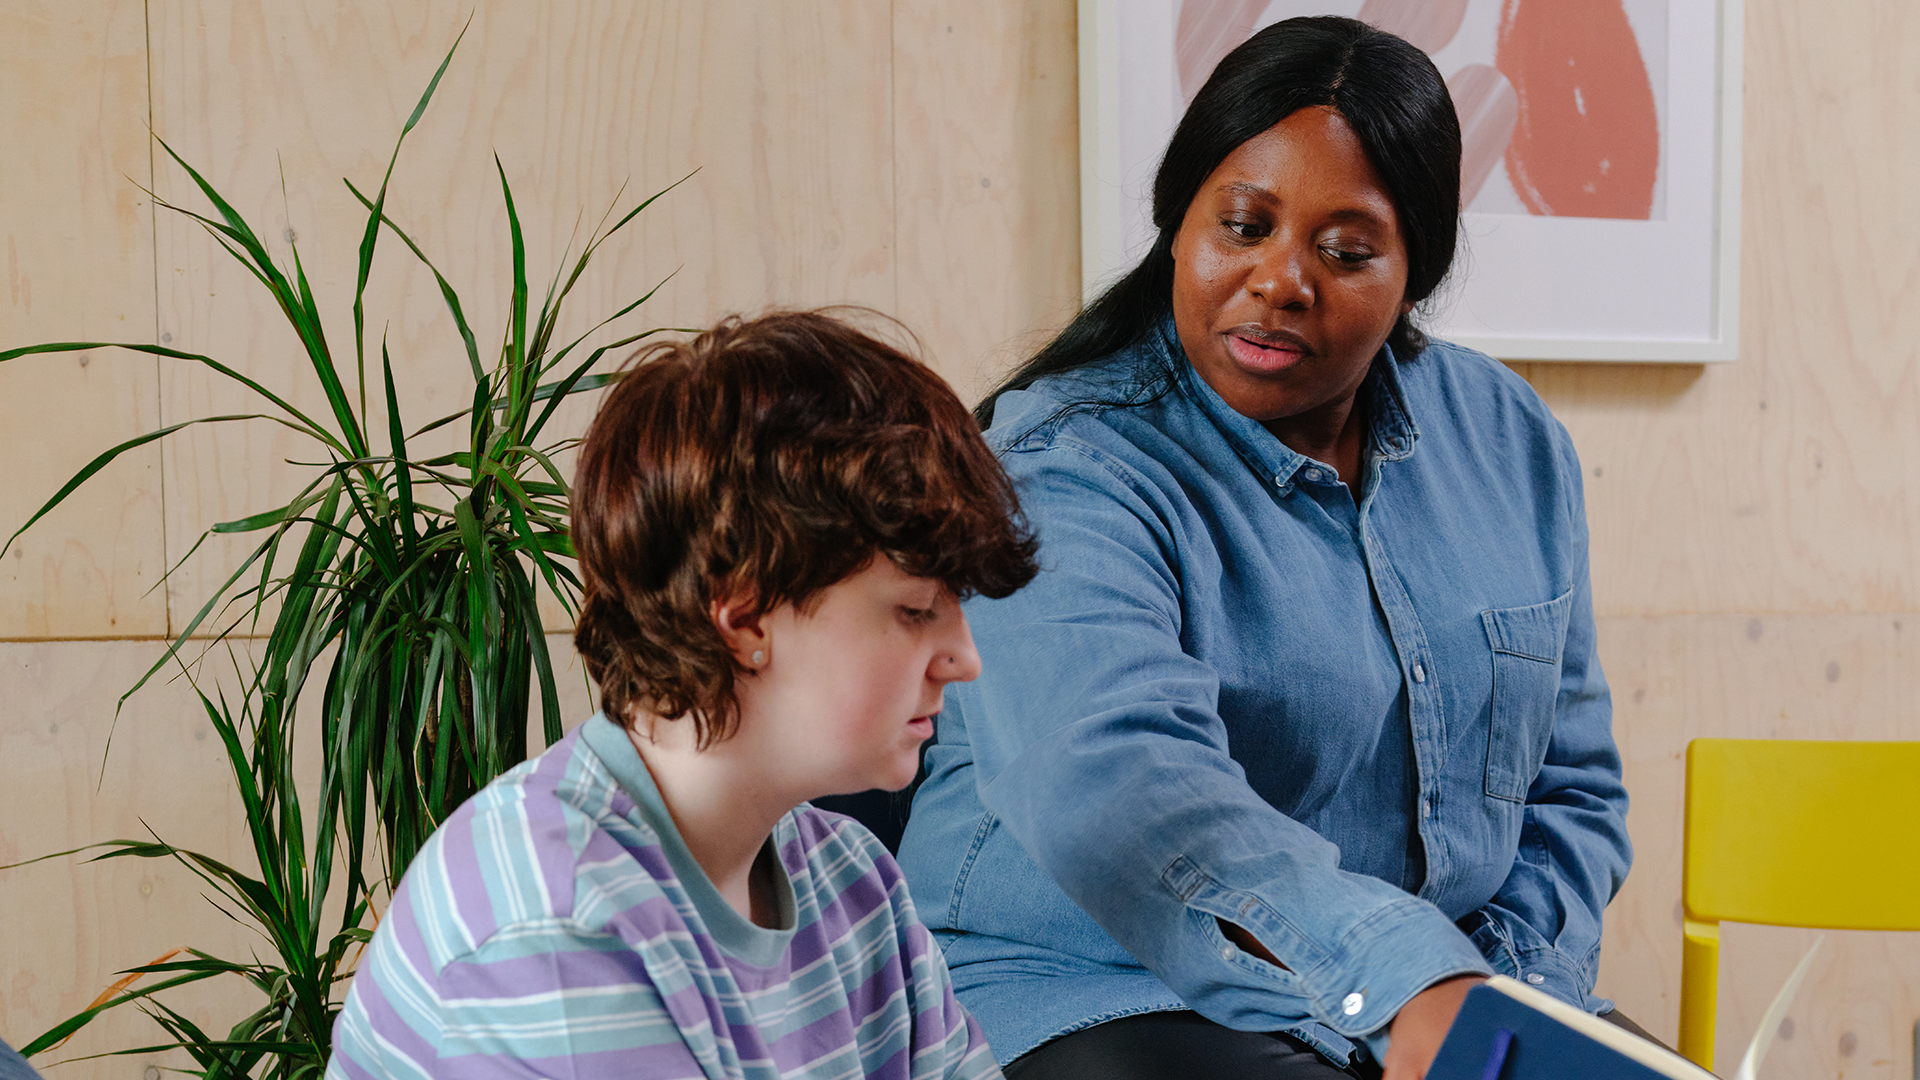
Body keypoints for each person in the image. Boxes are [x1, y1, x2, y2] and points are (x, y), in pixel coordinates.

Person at [894, 16, 1634, 1080]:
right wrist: (1407, 987)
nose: (1281, 281)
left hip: (1423, 996)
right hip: (1083, 986)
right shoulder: (1068, 466)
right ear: (1177, 228)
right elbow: (1118, 791)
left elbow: (1572, 789)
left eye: (1345, 252)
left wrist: (1501, 1000)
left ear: (1412, 268)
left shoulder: (1508, 441)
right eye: (1243, 227)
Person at [328, 311, 1038, 1079]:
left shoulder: (854, 885)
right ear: (743, 617)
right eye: (913, 610)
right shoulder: (551, 923)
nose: (964, 659)